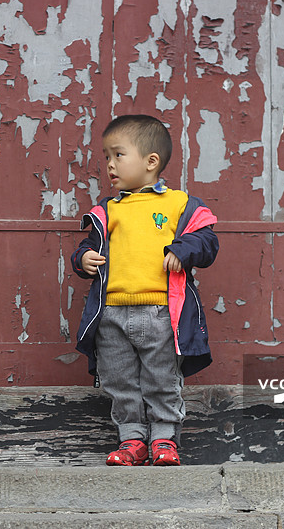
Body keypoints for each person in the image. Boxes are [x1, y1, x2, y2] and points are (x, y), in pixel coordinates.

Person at [71, 114, 219, 466]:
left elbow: (207, 241)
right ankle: (132, 440)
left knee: (161, 378)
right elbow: (87, 247)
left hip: (160, 313)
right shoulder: (108, 210)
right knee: (120, 381)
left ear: (151, 162)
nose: (109, 164)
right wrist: (84, 258)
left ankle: (164, 438)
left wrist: (183, 251)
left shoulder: (179, 204)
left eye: (118, 155)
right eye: (107, 157)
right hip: (111, 314)